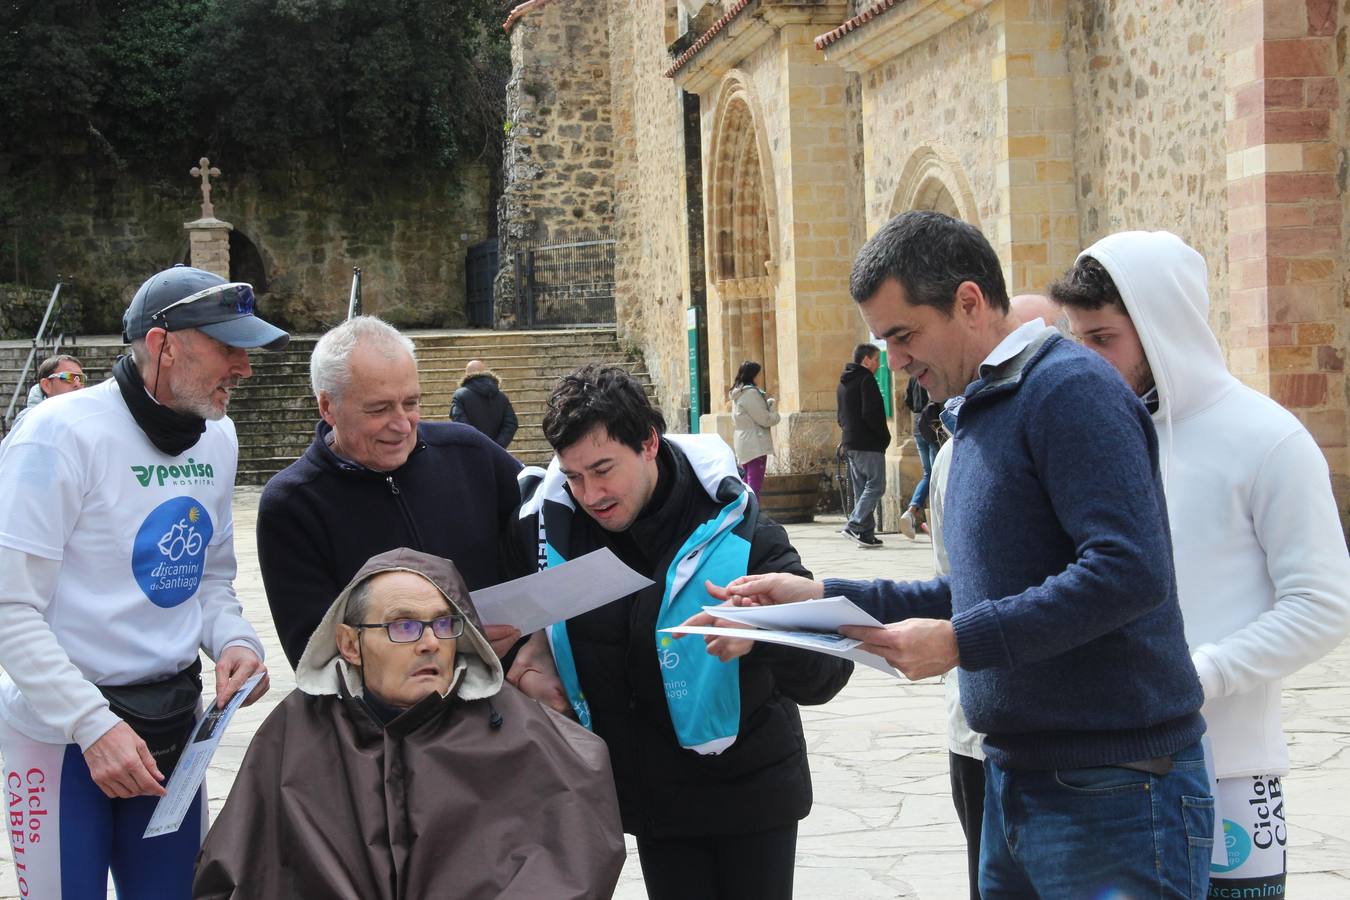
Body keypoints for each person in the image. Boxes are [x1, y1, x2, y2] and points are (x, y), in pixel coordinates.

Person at [719, 211, 1213, 899]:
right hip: (1022, 780)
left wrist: (958, 642)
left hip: (1116, 789)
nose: (894, 361)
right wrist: (817, 599)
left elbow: (1130, 572)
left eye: (903, 334)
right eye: (883, 340)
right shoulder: (987, 411)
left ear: (970, 302)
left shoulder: (1070, 391)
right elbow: (979, 591)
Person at [1049, 231, 1350, 896]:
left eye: (1103, 338)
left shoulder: (1268, 440)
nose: (1086, 359)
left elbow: (1324, 605)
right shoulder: (1090, 437)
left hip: (1233, 773)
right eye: (1078, 339)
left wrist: (1196, 674)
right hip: (1101, 769)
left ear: (1163, 328)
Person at [513, 363, 852, 900]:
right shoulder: (559, 538)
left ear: (648, 443)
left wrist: (762, 633)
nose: (590, 494)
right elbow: (522, 632)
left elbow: (829, 670)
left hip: (749, 801)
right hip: (654, 809)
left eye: (603, 470)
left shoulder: (742, 531)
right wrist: (531, 657)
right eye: (573, 476)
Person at [0, 265, 282, 898]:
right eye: (226, 347)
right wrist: (90, 725)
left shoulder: (219, 436)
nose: (243, 366)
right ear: (163, 345)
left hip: (170, 730)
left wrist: (237, 640)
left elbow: (209, 580)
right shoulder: (56, 436)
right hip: (62, 739)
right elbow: (9, 610)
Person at [194, 547, 626, 899]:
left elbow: (575, 863)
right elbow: (232, 872)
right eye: (404, 626)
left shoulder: (519, 730)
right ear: (349, 643)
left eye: (443, 624)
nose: (430, 644)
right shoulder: (295, 731)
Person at [257, 317, 528, 669]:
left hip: (506, 700)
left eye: (411, 403)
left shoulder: (472, 453)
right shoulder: (293, 504)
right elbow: (316, 659)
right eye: (379, 408)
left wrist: (537, 650)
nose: (402, 425)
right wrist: (453, 647)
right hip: (387, 723)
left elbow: (540, 539)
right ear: (328, 407)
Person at [929, 293, 1065, 900]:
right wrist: (832, 595)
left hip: (1078, 749)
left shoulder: (1079, 414)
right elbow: (954, 586)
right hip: (984, 740)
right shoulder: (958, 452)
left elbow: (1124, 577)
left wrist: (961, 637)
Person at [837, 343, 891, 547]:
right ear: (866, 360)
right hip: (868, 441)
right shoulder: (866, 380)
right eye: (876, 359)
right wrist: (883, 436)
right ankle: (855, 524)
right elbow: (872, 413)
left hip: (850, 441)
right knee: (876, 485)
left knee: (862, 488)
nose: (878, 364)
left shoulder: (843, 382)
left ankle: (865, 533)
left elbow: (840, 415)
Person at [729, 359, 779, 493]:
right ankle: (752, 513)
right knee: (753, 488)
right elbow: (765, 419)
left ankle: (746, 513)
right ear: (753, 375)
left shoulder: (738, 393)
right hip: (755, 443)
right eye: (758, 373)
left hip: (744, 442)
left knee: (746, 486)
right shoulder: (750, 393)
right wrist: (774, 410)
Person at [450, 358, 519, 449]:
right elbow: (511, 423)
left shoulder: (460, 395)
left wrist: (477, 444)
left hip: (469, 451)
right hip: (496, 455)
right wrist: (497, 447)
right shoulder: (501, 397)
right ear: (484, 372)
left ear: (467, 374)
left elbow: (460, 422)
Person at [899, 374, 935, 539]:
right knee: (936, 475)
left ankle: (912, 511)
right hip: (932, 425)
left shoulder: (913, 376)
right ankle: (931, 517)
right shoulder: (932, 371)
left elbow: (908, 401)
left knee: (929, 473)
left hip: (917, 425)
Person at [9, 354, 85, 432]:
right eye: (68, 377)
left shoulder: (88, 416)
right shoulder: (28, 420)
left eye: (81, 378)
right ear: (46, 385)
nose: (77, 384)